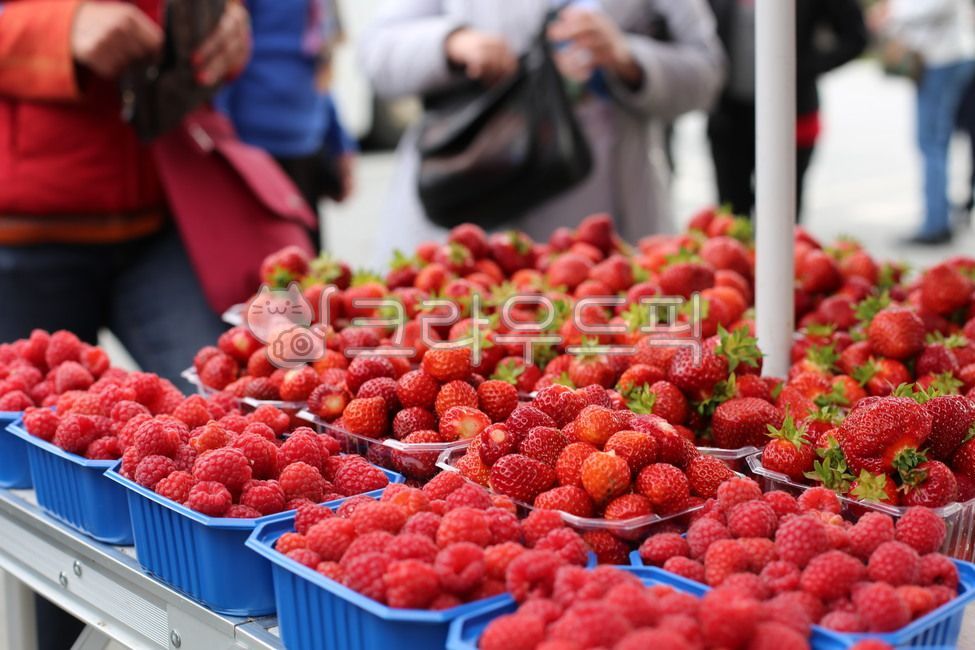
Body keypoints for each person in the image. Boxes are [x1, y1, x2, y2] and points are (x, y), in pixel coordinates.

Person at [0, 0, 251, 389]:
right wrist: (56, 29)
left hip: (168, 207)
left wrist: (221, 24)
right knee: (22, 427)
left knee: (226, 405)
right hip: (22, 233)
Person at [359, 0, 725, 265]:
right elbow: (376, 53)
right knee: (457, 342)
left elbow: (708, 73)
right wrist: (452, 43)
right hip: (470, 198)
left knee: (597, 352)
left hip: (604, 218)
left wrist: (628, 58)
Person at [707, 0, 868, 221]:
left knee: (783, 213)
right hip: (728, 116)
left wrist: (803, 67)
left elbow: (855, 37)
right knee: (731, 216)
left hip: (792, 115)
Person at [216, 0, 357, 248]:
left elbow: (322, 70)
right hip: (254, 149)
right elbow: (226, 63)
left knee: (307, 267)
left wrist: (340, 144)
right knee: (266, 268)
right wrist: (222, 139)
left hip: (306, 148)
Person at [875, 0, 975, 244]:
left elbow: (935, 6)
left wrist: (891, 13)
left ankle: (936, 223)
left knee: (931, 142)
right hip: (947, 56)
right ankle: (942, 216)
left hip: (942, 59)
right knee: (937, 140)